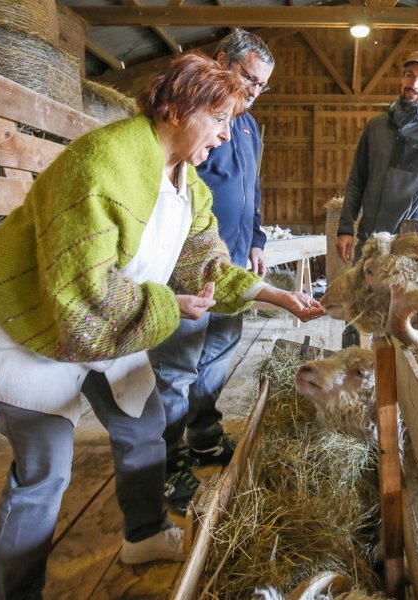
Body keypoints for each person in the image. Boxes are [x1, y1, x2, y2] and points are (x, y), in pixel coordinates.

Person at [0, 52, 323, 600]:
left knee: (142, 427)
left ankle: (145, 534)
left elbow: (208, 266)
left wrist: (274, 296)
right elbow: (81, 294)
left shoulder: (188, 183)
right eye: (218, 120)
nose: (226, 136)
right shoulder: (103, 163)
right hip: (31, 325)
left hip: (109, 320)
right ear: (176, 108)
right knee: (45, 473)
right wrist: (171, 306)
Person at [149, 30, 276, 515]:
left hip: (236, 259)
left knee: (219, 352)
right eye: (249, 77)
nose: (254, 91)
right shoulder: (200, 116)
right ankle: (168, 460)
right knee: (178, 361)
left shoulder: (248, 127)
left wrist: (258, 239)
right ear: (221, 61)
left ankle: (203, 436)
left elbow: (251, 189)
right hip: (190, 261)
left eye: (262, 85)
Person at [335, 50, 418, 346]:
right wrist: (345, 228)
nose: (415, 84)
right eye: (410, 75)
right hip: (369, 237)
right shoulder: (376, 126)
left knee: (395, 317)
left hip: (408, 242)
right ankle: (352, 371)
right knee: (357, 308)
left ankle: (394, 381)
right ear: (402, 76)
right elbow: (356, 180)